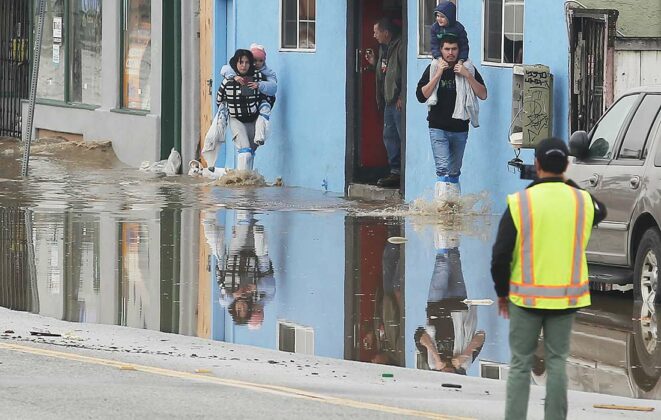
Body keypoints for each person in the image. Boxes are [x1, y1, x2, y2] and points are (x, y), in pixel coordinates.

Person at [490, 137, 607, 420]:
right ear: (566, 166)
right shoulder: (582, 201)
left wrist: (502, 292)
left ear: (537, 164)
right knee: (557, 364)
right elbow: (600, 210)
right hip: (566, 300)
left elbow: (500, 255)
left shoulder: (521, 202)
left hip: (524, 299)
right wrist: (567, 183)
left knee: (519, 365)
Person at [416, 35, 487, 201]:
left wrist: (468, 75)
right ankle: (441, 209)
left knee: (454, 171)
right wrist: (438, 74)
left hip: (460, 128)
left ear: (459, 50)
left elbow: (483, 94)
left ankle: (453, 208)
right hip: (438, 127)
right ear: (441, 50)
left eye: (454, 49)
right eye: (447, 49)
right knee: (443, 169)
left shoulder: (468, 67)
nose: (450, 53)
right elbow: (421, 96)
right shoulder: (434, 67)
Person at [414, 231, 485, 374]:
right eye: (452, 375)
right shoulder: (464, 364)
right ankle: (454, 224)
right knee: (454, 258)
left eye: (444, 375)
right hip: (459, 303)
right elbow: (481, 336)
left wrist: (436, 355)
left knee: (442, 262)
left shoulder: (432, 362)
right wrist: (464, 355)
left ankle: (441, 226)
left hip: (436, 303)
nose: (448, 372)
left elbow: (419, 334)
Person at [215, 49, 275, 172]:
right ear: (235, 63)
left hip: (253, 119)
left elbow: (270, 95)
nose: (244, 65)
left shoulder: (258, 77)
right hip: (236, 119)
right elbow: (219, 100)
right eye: (240, 62)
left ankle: (248, 185)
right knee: (245, 152)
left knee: (250, 152)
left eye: (247, 62)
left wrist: (260, 90)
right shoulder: (228, 80)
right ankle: (241, 184)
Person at [364, 18, 405, 189]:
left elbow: (404, 71)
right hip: (388, 99)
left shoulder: (401, 46)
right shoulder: (383, 49)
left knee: (400, 135)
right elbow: (385, 72)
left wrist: (402, 95)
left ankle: (402, 173)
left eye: (376, 32)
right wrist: (374, 64)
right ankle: (395, 172)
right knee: (389, 136)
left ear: (386, 33)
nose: (374, 35)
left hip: (397, 100)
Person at [220, 43, 277, 146]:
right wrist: (233, 77)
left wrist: (260, 85)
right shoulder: (242, 68)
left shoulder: (267, 72)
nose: (257, 64)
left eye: (261, 61)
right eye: (254, 60)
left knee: (265, 109)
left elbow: (273, 87)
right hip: (243, 109)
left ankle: (260, 134)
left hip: (264, 99)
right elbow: (225, 69)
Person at [427, 1, 470, 107]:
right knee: (433, 65)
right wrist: (439, 58)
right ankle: (433, 94)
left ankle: (469, 103)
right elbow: (434, 45)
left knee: (468, 67)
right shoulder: (435, 28)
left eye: (442, 16)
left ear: (450, 17)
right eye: (437, 16)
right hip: (440, 57)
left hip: (459, 58)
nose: (439, 19)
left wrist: (461, 61)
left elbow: (464, 46)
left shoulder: (459, 28)